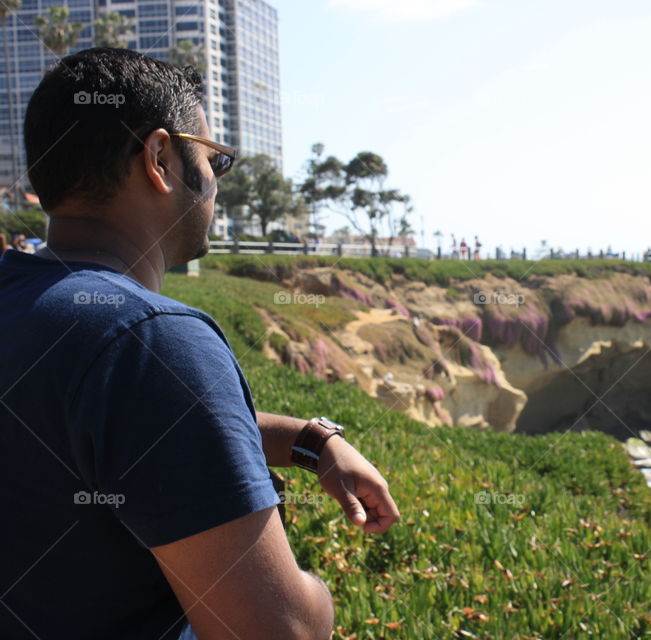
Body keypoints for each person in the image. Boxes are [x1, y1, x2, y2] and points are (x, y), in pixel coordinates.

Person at [0, 48, 399, 640]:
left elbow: (104, 424)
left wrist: (310, 442)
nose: (216, 180)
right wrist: (315, 594)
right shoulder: (152, 341)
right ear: (160, 158)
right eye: (216, 158)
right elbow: (278, 630)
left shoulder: (25, 303)